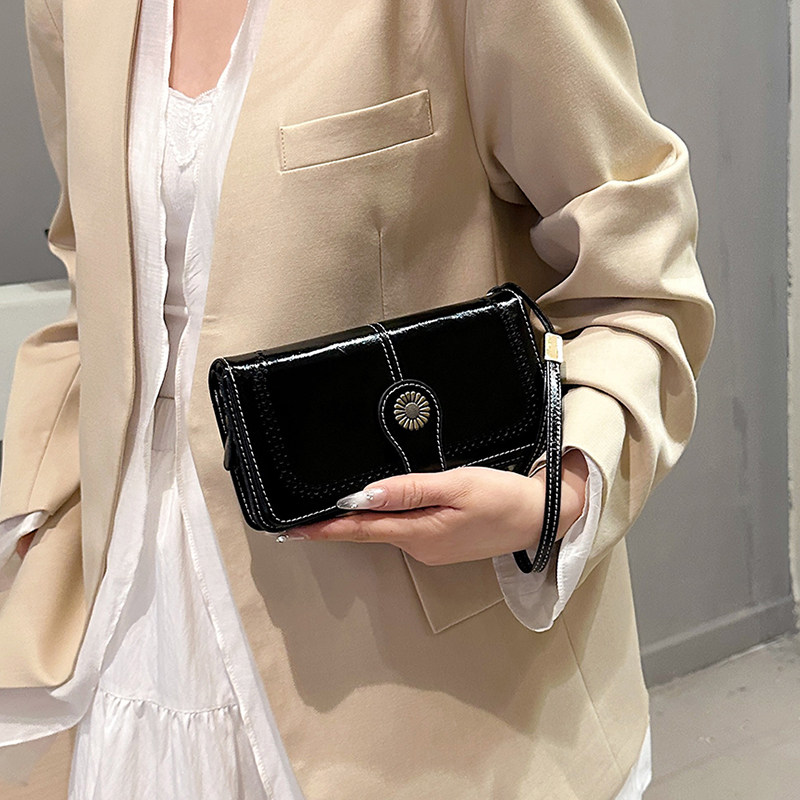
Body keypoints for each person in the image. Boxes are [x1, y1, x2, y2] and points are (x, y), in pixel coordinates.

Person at [0, 0, 714, 797]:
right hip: (128, 626)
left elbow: (640, 279)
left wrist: (560, 494)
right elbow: (92, 264)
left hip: (416, 671)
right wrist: (37, 500)